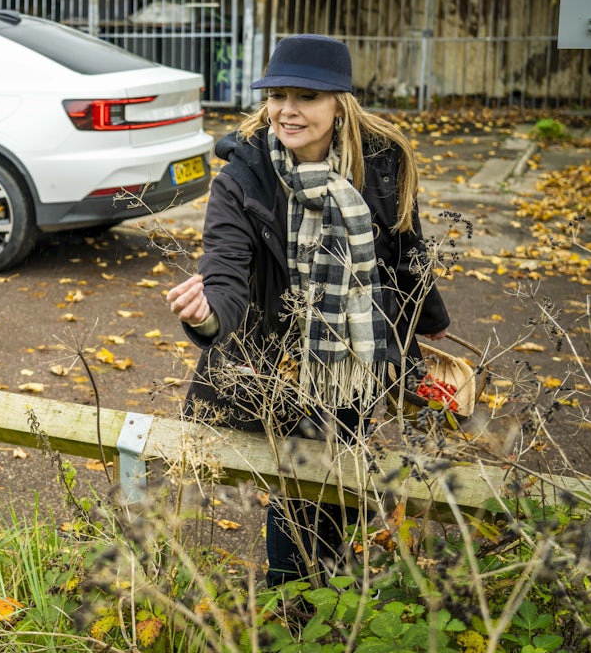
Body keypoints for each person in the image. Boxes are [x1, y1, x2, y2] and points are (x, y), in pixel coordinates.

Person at [166, 33, 450, 587]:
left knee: (342, 473)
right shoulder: (243, 177)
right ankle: (293, 609)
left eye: (306, 97)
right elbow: (224, 267)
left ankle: (334, 592)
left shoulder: (382, 164)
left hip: (355, 355)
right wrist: (206, 316)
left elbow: (406, 248)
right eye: (277, 95)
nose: (286, 111)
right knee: (297, 488)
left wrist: (429, 324)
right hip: (278, 359)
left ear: (339, 103)